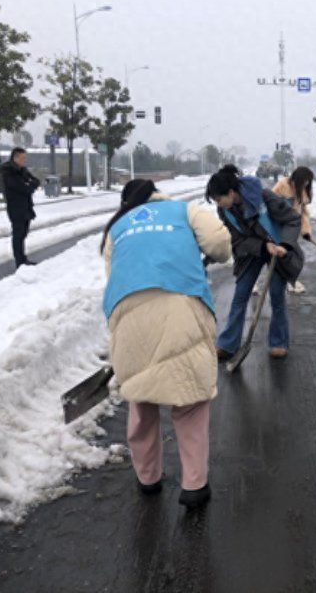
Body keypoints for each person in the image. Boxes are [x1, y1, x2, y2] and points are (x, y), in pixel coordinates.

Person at [101, 179, 231, 508]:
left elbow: (112, 273)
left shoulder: (116, 227)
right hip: (182, 306)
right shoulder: (184, 210)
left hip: (128, 313)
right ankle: (194, 485)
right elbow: (219, 243)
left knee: (141, 398)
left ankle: (148, 479)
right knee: (189, 402)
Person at [207, 165, 303, 360]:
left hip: (278, 248)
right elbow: (237, 239)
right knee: (240, 295)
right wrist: (262, 246)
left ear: (231, 192)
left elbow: (293, 219)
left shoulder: (265, 197)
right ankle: (228, 344)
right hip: (252, 251)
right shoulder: (225, 211)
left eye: (219, 199)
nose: (218, 204)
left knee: (276, 294)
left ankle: (278, 342)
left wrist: (284, 244)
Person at [272, 166, 313, 294]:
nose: (307, 184)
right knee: (270, 259)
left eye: (309, 182)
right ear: (298, 178)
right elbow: (269, 202)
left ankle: (291, 282)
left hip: (291, 230)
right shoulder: (282, 185)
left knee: (295, 258)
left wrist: (305, 232)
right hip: (277, 227)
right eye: (305, 180)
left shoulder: (303, 192)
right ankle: (254, 284)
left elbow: (303, 214)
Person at [0, 147, 40, 268]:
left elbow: (36, 181)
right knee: (18, 234)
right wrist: (28, 185)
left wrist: (29, 184)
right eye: (22, 158)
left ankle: (23, 258)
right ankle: (19, 261)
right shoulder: (9, 172)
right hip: (15, 207)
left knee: (23, 234)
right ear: (15, 158)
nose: (24, 161)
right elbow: (23, 188)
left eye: (25, 158)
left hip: (26, 206)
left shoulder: (22, 170)